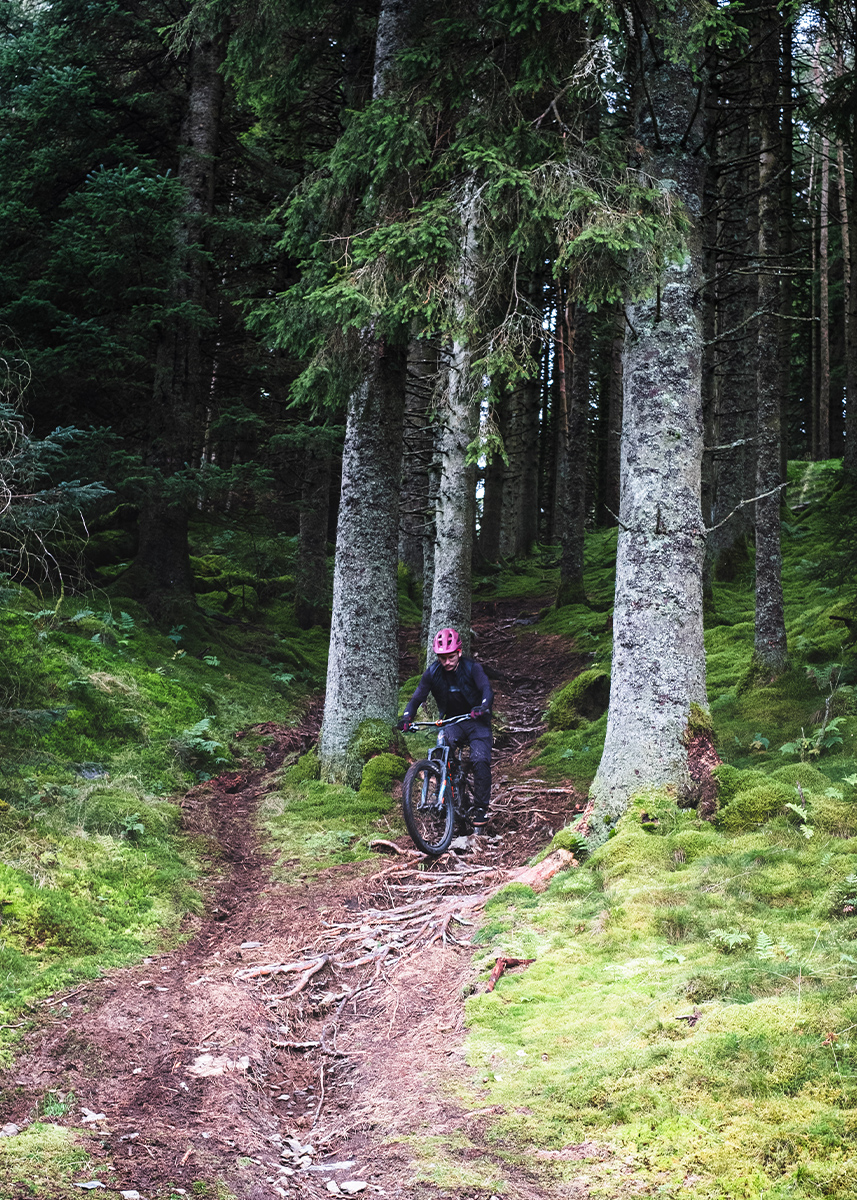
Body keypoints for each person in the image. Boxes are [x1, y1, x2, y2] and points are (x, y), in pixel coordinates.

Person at [397, 627, 494, 829]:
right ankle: (445, 795)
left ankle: (480, 809)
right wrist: (407, 716)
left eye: (450, 657)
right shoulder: (433, 672)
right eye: (442, 658)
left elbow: (486, 688)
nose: (446, 662)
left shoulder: (471, 668)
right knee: (441, 748)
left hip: (477, 720)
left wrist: (483, 706)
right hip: (453, 721)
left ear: (458, 653)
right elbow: (417, 697)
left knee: (480, 759)